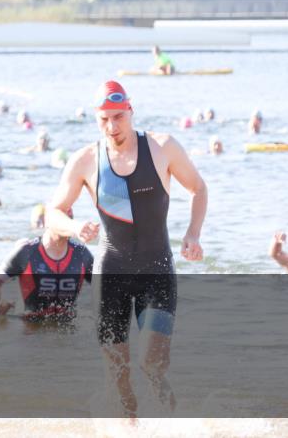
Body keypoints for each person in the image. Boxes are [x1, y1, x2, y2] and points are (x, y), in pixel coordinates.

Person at [44, 80, 207, 418]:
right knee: (117, 374)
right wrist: (75, 227)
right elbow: (53, 212)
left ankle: (171, 425)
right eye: (104, 120)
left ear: (130, 111)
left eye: (118, 117)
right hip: (111, 274)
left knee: (152, 363)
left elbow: (198, 188)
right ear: (96, 119)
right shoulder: (85, 159)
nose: (112, 127)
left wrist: (193, 234)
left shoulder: (162, 147)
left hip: (156, 272)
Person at [0, 211, 94, 322]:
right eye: (62, 220)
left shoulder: (82, 253)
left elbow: (105, 286)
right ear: (48, 222)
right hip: (28, 328)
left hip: (66, 327)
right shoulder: (26, 252)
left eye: (69, 219)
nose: (66, 224)